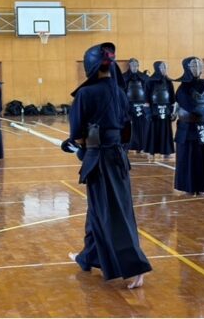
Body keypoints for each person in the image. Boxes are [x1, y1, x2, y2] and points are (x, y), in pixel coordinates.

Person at [63, 43, 151, 289]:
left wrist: (80, 147)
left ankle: (135, 267)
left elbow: (77, 133)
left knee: (113, 214)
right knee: (97, 210)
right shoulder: (120, 93)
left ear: (90, 67)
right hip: (117, 159)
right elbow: (126, 131)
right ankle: (88, 257)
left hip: (100, 161)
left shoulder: (86, 94)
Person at [173, 56, 204, 197]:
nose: (197, 68)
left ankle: (203, 186)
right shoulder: (182, 89)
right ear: (187, 68)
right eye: (193, 66)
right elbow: (190, 106)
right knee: (188, 158)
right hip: (187, 129)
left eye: (199, 65)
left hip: (202, 127)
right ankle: (189, 187)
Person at [120, 59, 151, 155]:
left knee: (142, 126)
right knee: (129, 126)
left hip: (142, 104)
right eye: (133, 65)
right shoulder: (123, 77)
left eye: (136, 65)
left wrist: (147, 103)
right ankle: (127, 146)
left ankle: (142, 146)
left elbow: (149, 90)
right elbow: (120, 92)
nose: (134, 67)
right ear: (129, 66)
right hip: (128, 105)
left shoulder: (144, 77)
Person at [147, 60, 175, 161]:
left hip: (166, 110)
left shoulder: (168, 82)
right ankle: (152, 151)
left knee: (166, 131)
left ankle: (166, 151)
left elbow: (172, 99)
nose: (165, 70)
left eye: (166, 68)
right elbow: (146, 98)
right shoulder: (150, 81)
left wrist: (173, 111)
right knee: (154, 131)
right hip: (154, 111)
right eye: (162, 68)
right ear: (157, 68)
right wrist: (148, 112)